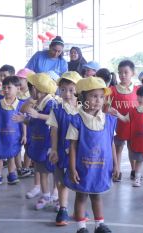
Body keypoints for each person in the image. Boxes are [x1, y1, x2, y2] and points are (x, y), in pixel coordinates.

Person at [64, 77, 119, 233]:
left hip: (101, 167)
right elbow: (73, 146)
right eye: (94, 96)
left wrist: (115, 164)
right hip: (83, 167)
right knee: (81, 196)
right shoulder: (76, 120)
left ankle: (99, 225)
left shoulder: (108, 120)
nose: (98, 100)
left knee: (97, 195)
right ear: (83, 98)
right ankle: (81, 227)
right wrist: (72, 168)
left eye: (101, 97)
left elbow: (111, 143)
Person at [13, 73, 58, 210]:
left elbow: (54, 117)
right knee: (41, 170)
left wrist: (38, 114)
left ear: (36, 89)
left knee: (55, 172)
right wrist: (25, 120)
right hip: (38, 143)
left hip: (49, 144)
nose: (28, 89)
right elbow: (30, 116)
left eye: (30, 87)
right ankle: (45, 195)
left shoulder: (51, 102)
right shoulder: (37, 102)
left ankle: (56, 196)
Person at [47, 71, 82, 226]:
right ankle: (63, 209)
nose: (67, 94)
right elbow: (54, 130)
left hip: (80, 153)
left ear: (78, 90)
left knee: (80, 180)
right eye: (63, 90)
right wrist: (53, 149)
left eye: (71, 90)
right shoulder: (56, 109)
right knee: (61, 181)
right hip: (61, 151)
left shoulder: (84, 110)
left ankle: (79, 208)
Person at [110, 86, 143, 187]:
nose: (139, 98)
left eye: (142, 96)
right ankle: (137, 179)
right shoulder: (133, 110)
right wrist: (117, 113)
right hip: (137, 141)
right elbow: (125, 119)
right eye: (138, 96)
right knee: (139, 161)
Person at [107, 60, 139, 182]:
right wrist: (112, 111)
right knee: (118, 148)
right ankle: (117, 170)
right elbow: (106, 106)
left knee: (133, 149)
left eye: (126, 72)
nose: (123, 75)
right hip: (117, 124)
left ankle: (134, 171)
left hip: (134, 125)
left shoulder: (138, 90)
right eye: (120, 73)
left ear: (133, 73)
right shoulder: (112, 90)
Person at [0, 76, 26, 185]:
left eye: (9, 87)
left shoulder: (21, 105)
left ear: (18, 89)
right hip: (0, 136)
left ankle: (12, 174)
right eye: (4, 87)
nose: (6, 90)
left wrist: (24, 135)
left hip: (14, 137)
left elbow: (23, 122)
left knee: (12, 156)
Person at [14, 68, 35, 178]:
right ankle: (18, 168)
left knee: (28, 146)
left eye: (20, 79)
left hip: (28, 123)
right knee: (17, 146)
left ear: (28, 81)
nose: (18, 81)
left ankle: (26, 168)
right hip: (17, 123)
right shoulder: (15, 92)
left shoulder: (32, 95)